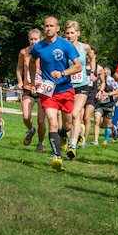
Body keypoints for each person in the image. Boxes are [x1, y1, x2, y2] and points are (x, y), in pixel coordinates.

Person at [29, 16, 82, 171]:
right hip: (48, 91)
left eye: (52, 26)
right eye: (46, 26)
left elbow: (78, 67)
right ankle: (57, 157)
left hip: (65, 89)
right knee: (52, 121)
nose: (48, 28)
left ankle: (64, 134)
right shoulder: (38, 47)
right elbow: (32, 63)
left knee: (67, 124)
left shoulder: (65, 45)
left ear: (58, 28)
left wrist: (63, 72)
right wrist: (33, 82)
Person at [64, 20, 96, 159]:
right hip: (66, 85)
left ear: (78, 33)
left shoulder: (85, 47)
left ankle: (73, 144)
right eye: (67, 33)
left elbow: (92, 57)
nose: (70, 35)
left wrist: (92, 72)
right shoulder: (62, 47)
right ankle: (69, 133)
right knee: (66, 119)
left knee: (76, 114)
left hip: (82, 85)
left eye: (72, 33)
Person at [16, 29, 46, 151]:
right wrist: (19, 81)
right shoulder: (24, 52)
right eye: (31, 39)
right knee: (26, 116)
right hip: (28, 88)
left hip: (43, 89)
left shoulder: (45, 52)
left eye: (36, 39)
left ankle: (41, 142)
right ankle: (31, 130)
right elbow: (19, 69)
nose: (33, 41)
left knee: (40, 120)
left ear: (41, 39)